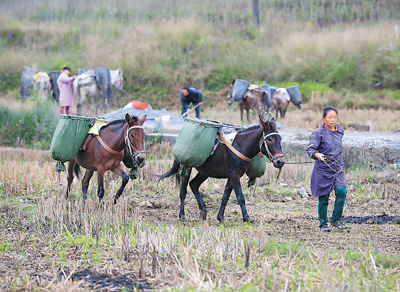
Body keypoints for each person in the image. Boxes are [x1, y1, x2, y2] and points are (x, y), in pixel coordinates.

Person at [306, 106, 348, 232]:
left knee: (342, 192)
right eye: (330, 117)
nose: (333, 120)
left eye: (335, 117)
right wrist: (317, 154)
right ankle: (323, 223)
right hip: (323, 169)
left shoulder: (340, 130)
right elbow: (310, 149)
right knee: (324, 197)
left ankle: (336, 220)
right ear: (324, 118)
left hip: (337, 168)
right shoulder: (318, 133)